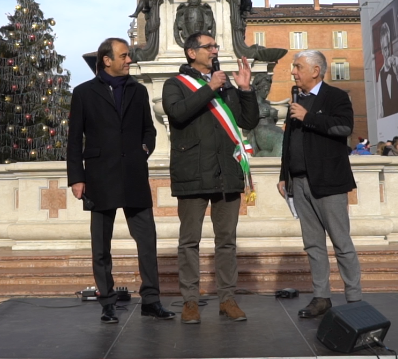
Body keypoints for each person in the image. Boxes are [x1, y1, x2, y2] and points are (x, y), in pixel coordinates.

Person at [68, 38, 174, 325]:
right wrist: (76, 178)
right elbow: (74, 139)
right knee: (101, 246)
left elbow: (148, 130)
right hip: (99, 177)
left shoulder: (138, 91)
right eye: (124, 56)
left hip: (134, 175)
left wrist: (144, 149)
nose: (129, 60)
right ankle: (107, 302)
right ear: (107, 60)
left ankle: (151, 300)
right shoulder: (83, 93)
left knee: (147, 241)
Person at [162, 32, 258, 323]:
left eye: (215, 45)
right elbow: (177, 114)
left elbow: (247, 121)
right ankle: (190, 301)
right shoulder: (175, 84)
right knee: (189, 241)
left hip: (226, 172)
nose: (215, 50)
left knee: (226, 240)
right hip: (192, 172)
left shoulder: (226, 84)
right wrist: (210, 88)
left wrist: (244, 90)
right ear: (192, 53)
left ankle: (227, 299)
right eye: (209, 46)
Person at [277, 50, 361, 319]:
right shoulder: (297, 100)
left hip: (329, 182)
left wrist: (308, 117)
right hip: (300, 183)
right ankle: (321, 297)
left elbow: (343, 128)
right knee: (313, 244)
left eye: (298, 67)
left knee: (341, 242)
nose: (293, 72)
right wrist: (284, 176)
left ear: (315, 70)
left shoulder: (335, 96)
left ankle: (354, 298)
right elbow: (289, 142)